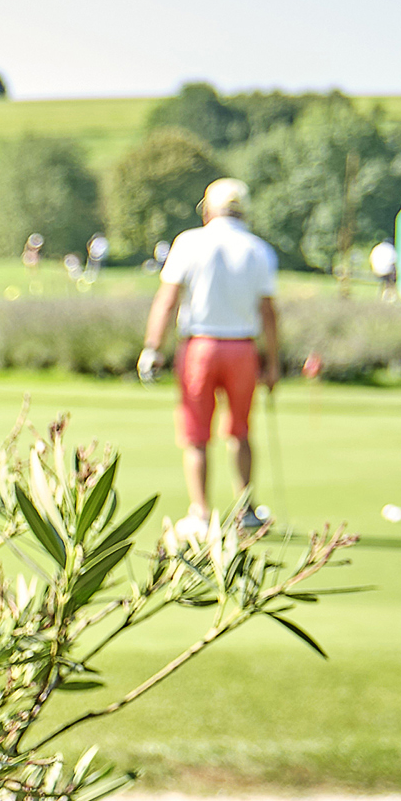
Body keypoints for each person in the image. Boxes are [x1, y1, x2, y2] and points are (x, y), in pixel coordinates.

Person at [137, 178, 281, 540]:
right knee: (240, 431)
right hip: (242, 348)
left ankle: (200, 514)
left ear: (207, 209)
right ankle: (245, 511)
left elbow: (167, 300)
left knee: (196, 435)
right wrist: (273, 363)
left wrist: (152, 346)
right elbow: (268, 312)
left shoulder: (189, 242)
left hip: (200, 347)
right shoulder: (259, 249)